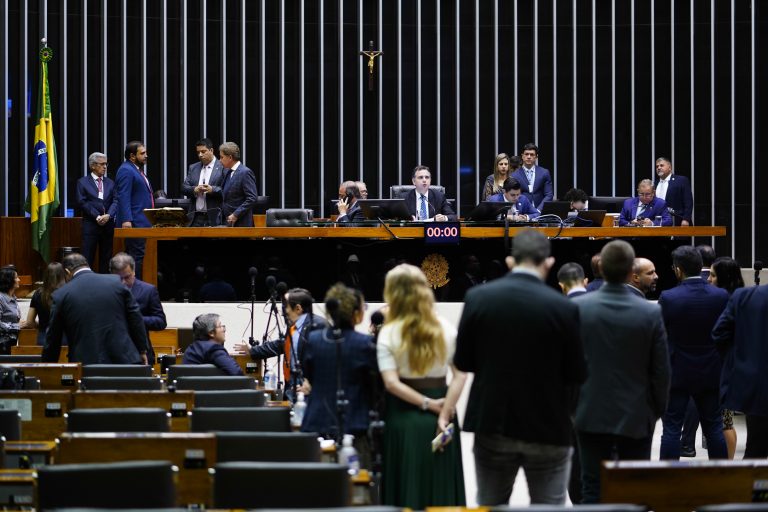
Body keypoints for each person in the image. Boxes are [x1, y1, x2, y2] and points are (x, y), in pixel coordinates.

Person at [443, 229, 586, 505]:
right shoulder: (565, 308)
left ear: (510, 262)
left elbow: (464, 362)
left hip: (494, 421)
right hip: (549, 426)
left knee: (492, 504)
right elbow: (577, 372)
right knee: (548, 507)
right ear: (548, 263)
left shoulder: (479, 298)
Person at [573, 240, 670, 503]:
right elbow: (661, 370)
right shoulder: (650, 313)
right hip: (636, 413)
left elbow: (566, 366)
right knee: (633, 488)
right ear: (631, 272)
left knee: (592, 485)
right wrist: (655, 411)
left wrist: (573, 409)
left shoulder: (578, 308)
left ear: (601, 269)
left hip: (589, 412)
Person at [377, 264, 467, 508]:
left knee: (406, 487)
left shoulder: (389, 333)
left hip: (402, 416)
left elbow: (391, 383)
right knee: (441, 488)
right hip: (443, 418)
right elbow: (460, 375)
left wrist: (428, 405)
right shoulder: (447, 329)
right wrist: (444, 411)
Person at [657, 245, 729, 460]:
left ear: (678, 270)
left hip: (677, 371)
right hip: (712, 371)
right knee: (714, 428)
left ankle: (668, 481)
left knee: (671, 429)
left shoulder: (669, 297)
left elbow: (660, 334)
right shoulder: (720, 295)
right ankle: (722, 477)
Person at [300, 283, 377, 464]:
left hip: (316, 423)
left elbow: (310, 375)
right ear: (356, 313)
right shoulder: (365, 344)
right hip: (354, 426)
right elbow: (374, 387)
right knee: (357, 487)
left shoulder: (313, 340)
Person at [43, 253, 149, 365]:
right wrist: (142, 350)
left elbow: (53, 338)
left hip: (85, 363)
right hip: (123, 359)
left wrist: (48, 366)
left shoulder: (61, 295)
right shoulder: (116, 282)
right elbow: (135, 317)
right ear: (87, 265)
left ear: (67, 272)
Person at [712, 281, 768, 458]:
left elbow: (719, 334)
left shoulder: (745, 296)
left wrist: (742, 361)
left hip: (757, 383)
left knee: (756, 448)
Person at [237, 288, 325, 399]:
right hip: (291, 388)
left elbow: (327, 360)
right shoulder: (294, 326)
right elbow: (281, 345)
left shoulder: (319, 325)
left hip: (309, 394)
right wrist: (252, 350)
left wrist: (313, 384)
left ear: (298, 308)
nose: (284, 311)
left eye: (286, 306)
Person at [707, 256, 745, 459]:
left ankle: (728, 464)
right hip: (733, 365)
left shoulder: (725, 301)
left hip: (723, 366)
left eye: (712, 275)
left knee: (724, 421)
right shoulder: (741, 298)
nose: (709, 280)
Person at [110, 252, 166, 364]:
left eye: (127, 277)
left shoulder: (148, 290)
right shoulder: (105, 291)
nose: (123, 283)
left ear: (134, 272)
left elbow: (161, 322)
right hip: (112, 352)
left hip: (140, 352)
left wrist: (136, 318)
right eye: (119, 278)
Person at [115, 141, 154, 280]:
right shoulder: (126, 170)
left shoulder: (136, 169)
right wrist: (126, 220)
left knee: (137, 256)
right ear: (132, 156)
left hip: (142, 222)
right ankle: (135, 288)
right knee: (136, 257)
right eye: (142, 153)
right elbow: (123, 196)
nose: (146, 156)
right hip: (135, 222)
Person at [76, 152, 117, 273]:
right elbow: (82, 202)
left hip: (108, 225)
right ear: (93, 166)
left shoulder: (111, 182)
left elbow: (116, 201)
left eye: (106, 164)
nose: (105, 167)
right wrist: (98, 216)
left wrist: (109, 215)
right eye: (102, 164)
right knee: (87, 257)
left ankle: (104, 287)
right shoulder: (82, 182)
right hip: (91, 225)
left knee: (106, 258)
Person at [182, 138, 226, 225]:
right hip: (195, 218)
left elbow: (228, 190)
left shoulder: (223, 166)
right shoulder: (193, 167)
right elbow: (184, 188)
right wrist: (195, 189)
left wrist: (212, 190)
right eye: (198, 152)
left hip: (215, 218)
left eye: (203, 151)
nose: (200, 155)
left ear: (211, 150)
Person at [25, 262, 66, 345]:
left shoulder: (38, 293)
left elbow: (29, 321)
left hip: (44, 338)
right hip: (66, 339)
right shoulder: (68, 292)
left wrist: (41, 326)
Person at [219, 141, 258, 227]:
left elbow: (252, 198)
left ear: (230, 157)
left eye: (222, 157)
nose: (220, 160)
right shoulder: (227, 171)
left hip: (241, 223)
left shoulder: (245, 172)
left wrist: (236, 214)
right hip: (228, 222)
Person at [511, 143, 553, 210]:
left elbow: (549, 195)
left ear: (536, 157)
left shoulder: (544, 172)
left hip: (540, 211)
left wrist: (539, 210)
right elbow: (513, 196)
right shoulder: (514, 175)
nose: (529, 157)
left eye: (532, 154)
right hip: (522, 212)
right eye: (526, 154)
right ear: (522, 156)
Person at [655, 157, 693, 226]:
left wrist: (686, 219)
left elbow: (688, 202)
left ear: (669, 167)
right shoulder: (655, 184)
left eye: (661, 165)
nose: (659, 168)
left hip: (679, 221)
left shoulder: (681, 180)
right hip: (659, 223)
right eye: (657, 166)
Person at [0, 266, 29, 355]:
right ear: (8, 280)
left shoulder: (13, 297)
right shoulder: (1, 298)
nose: (19, 280)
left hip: (10, 344)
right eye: (16, 277)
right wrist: (17, 326)